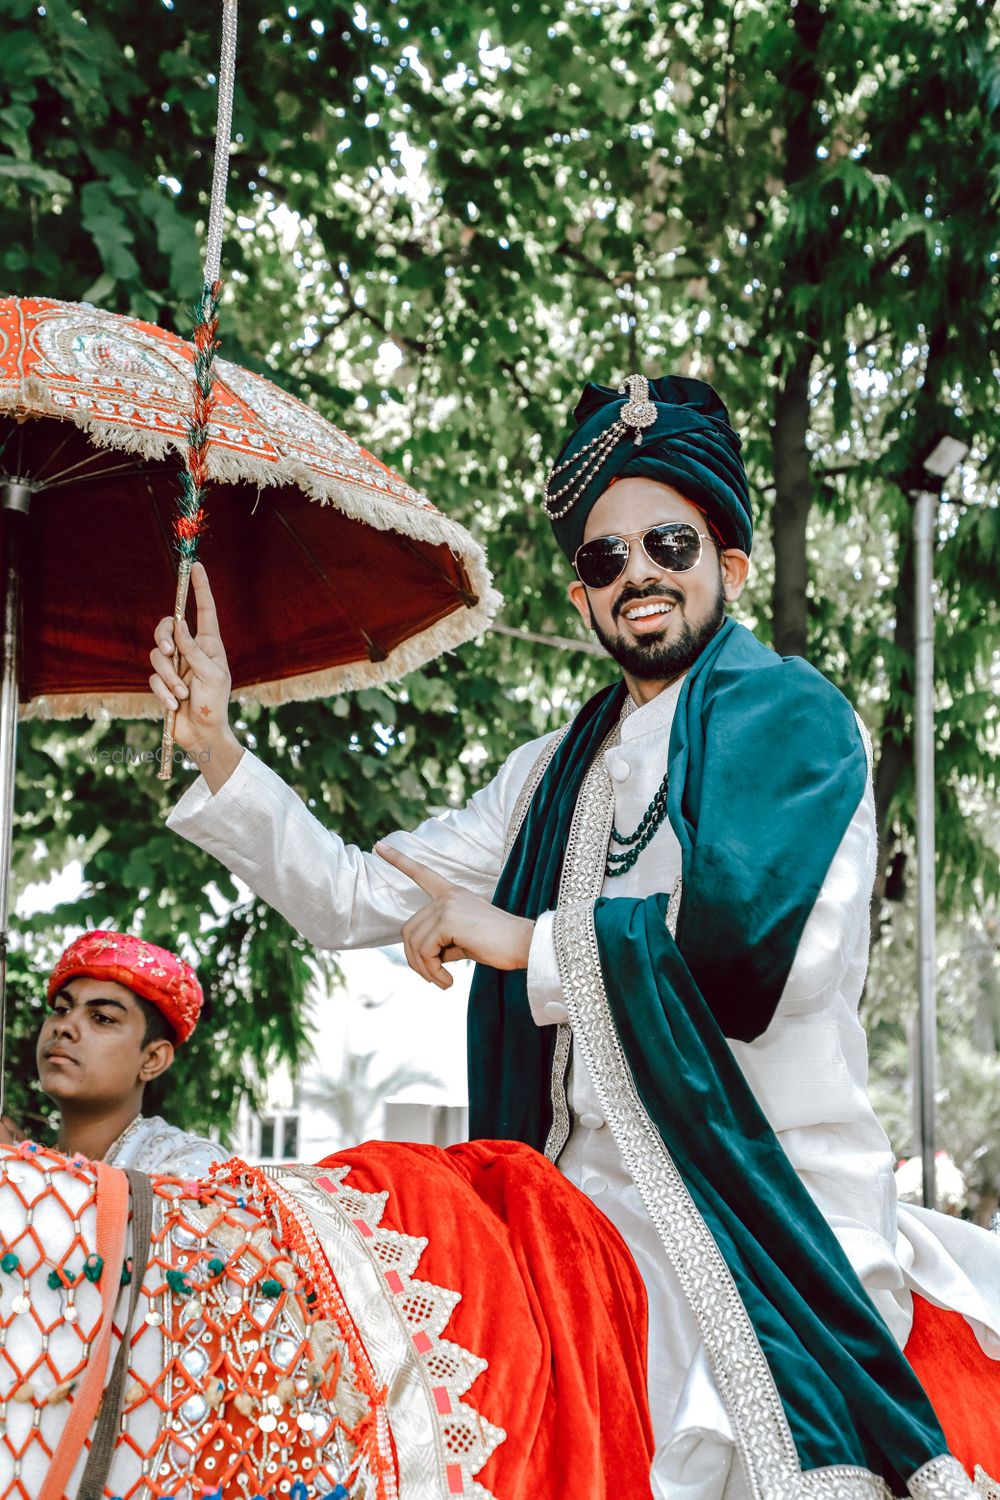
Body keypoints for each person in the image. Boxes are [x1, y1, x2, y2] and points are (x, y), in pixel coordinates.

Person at [150, 374, 1000, 1499]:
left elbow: (750, 964)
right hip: (574, 1188)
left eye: (668, 542)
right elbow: (361, 894)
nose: (636, 573)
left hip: (765, 1195)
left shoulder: (794, 720)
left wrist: (519, 941)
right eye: (604, 560)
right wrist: (217, 745)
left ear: (730, 566)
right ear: (580, 595)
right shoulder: (546, 774)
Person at [3, 929, 222, 1176]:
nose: (64, 1027)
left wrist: (20, 1176)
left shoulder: (193, 1166)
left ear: (153, 1059)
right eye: (62, 1009)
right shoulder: (22, 1163)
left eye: (102, 1018)